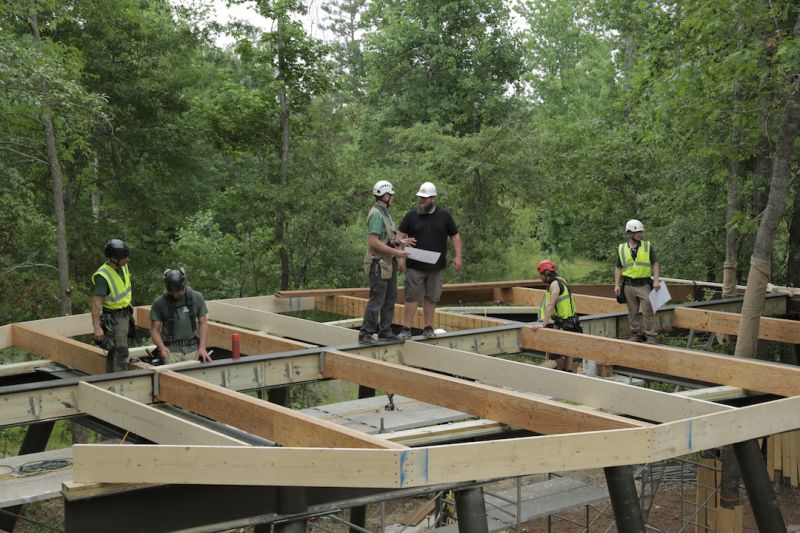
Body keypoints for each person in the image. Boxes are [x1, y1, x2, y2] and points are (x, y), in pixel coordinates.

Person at [396, 182, 462, 340]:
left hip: (436, 267)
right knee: (411, 296)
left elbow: (455, 236)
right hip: (415, 266)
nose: (422, 201)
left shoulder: (444, 216)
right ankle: (406, 328)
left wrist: (458, 256)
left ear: (433, 199)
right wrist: (399, 256)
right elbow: (400, 236)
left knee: (432, 297)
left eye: (425, 198)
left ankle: (428, 327)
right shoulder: (411, 215)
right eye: (420, 198)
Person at [359, 180, 414, 345]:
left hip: (387, 263)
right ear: (385, 195)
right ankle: (366, 333)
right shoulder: (376, 214)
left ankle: (385, 331)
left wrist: (401, 242)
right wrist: (397, 252)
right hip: (378, 264)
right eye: (391, 195)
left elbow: (388, 240)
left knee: (390, 298)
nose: (393, 198)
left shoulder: (385, 213)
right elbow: (374, 242)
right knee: (377, 299)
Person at [527, 259, 581, 370]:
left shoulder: (554, 285)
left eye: (540, 275)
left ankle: (564, 374)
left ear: (546, 274)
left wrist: (543, 324)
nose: (539, 278)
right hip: (572, 321)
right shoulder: (561, 280)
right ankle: (568, 372)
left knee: (554, 354)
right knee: (568, 351)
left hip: (566, 323)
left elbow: (551, 305)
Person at [614, 219, 661, 344]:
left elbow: (655, 263)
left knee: (648, 310)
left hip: (643, 284)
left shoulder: (647, 246)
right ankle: (636, 334)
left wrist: (656, 280)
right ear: (630, 233)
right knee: (632, 311)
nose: (640, 234)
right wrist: (617, 285)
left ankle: (650, 335)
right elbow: (618, 267)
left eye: (640, 232)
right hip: (628, 285)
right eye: (637, 232)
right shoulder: (622, 248)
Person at [150, 268, 212, 363]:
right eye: (172, 293)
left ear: (184, 284)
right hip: (171, 351)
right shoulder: (159, 303)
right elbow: (154, 330)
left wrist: (202, 348)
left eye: (178, 292)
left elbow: (203, 323)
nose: (175, 295)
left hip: (193, 350)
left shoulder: (197, 297)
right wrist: (162, 347)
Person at [92, 239, 134, 373]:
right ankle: (119, 381)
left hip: (125, 313)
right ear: (114, 259)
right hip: (114, 318)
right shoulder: (103, 276)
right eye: (124, 257)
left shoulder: (123, 266)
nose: (128, 260)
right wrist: (97, 327)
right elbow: (96, 304)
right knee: (121, 350)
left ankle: (110, 378)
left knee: (115, 350)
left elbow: (123, 289)